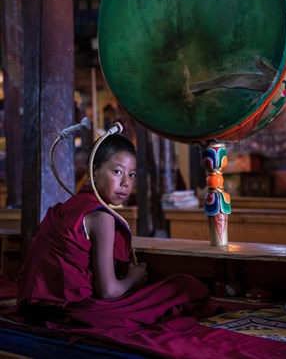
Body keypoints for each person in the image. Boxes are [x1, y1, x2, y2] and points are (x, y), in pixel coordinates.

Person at [17, 133, 210, 329]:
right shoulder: (102, 217)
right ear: (94, 172)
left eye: (132, 175)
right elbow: (108, 291)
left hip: (33, 305)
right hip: (72, 311)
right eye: (117, 172)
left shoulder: (68, 206)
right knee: (183, 286)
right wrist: (132, 280)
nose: (126, 182)